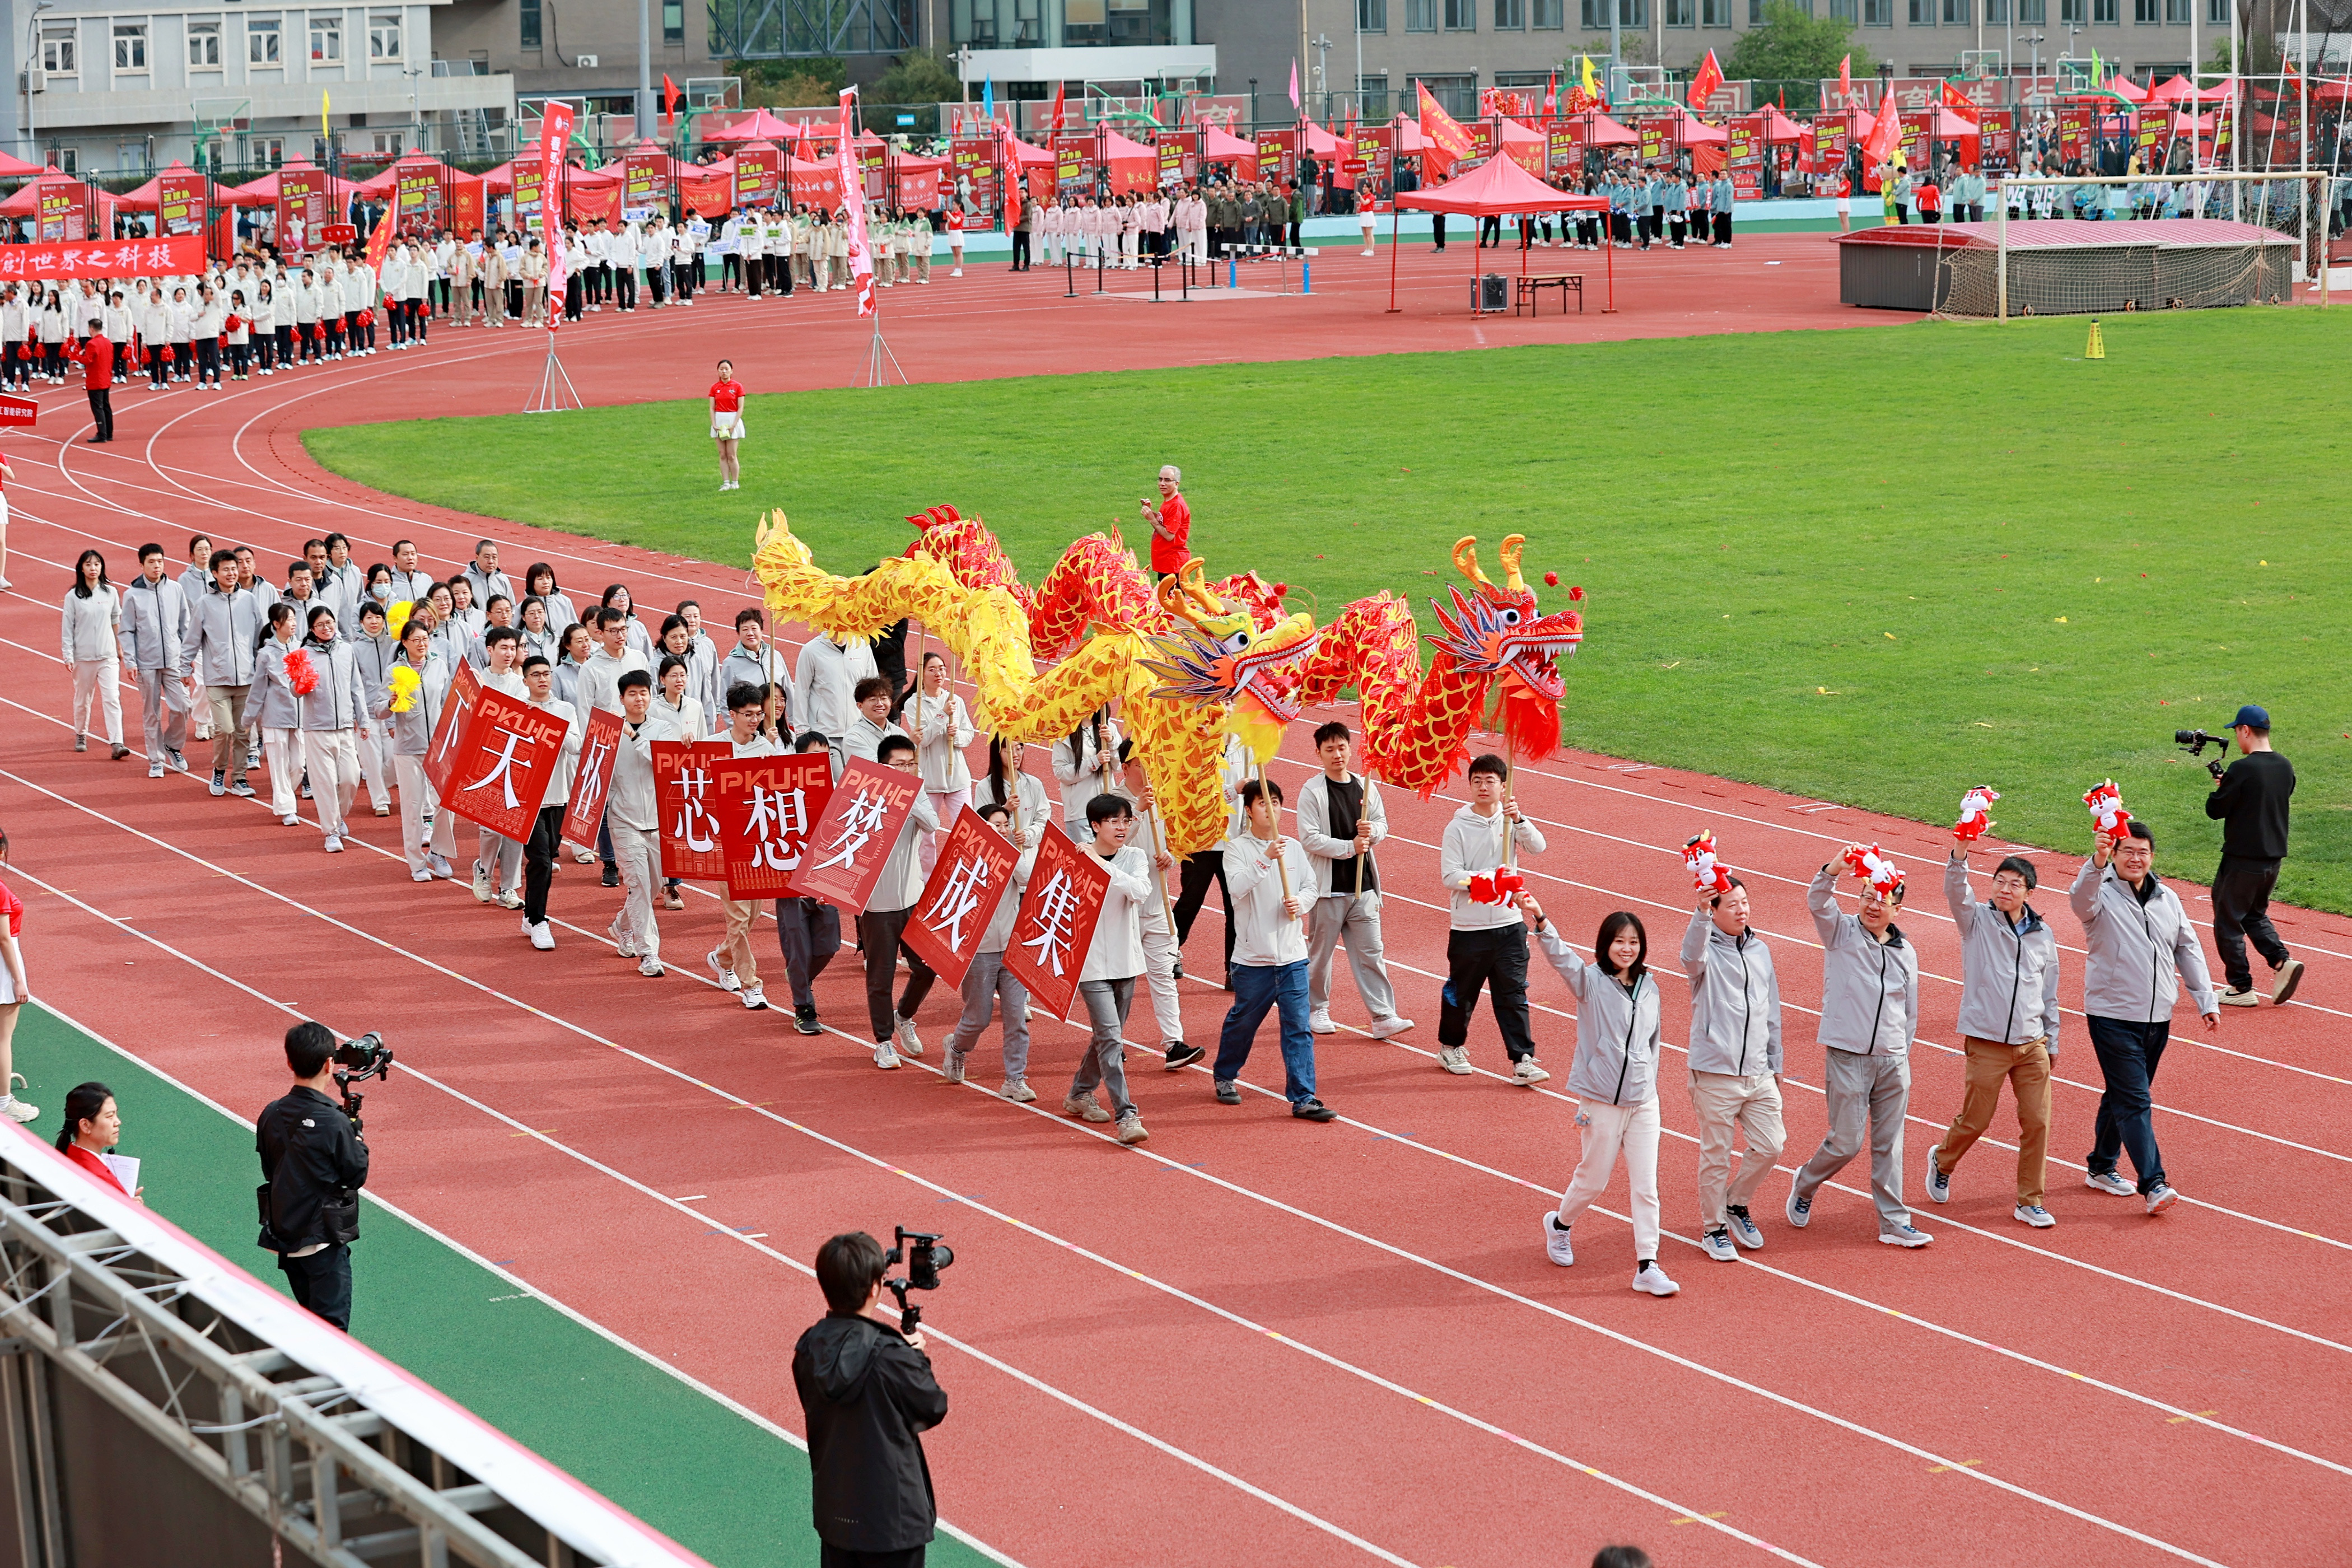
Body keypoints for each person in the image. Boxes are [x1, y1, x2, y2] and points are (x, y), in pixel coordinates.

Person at [1523, 898, 1677, 1297]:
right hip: (1601, 1099)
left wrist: (1649, 1083)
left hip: (1643, 1101)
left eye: (1634, 942)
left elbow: (1653, 1042)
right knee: (1593, 1180)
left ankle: (1647, 1265)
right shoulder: (1590, 981)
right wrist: (1541, 919)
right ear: (1605, 944)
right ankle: (1559, 1224)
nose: (1627, 948)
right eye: (1619, 941)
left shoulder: (1650, 987)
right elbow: (1561, 959)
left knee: (1646, 1185)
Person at [2070, 821, 2215, 1216]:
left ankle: (2101, 1166)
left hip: (2158, 1017)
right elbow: (2079, 900)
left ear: (2152, 857)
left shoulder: (2168, 898)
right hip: (2112, 1015)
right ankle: (2153, 1183)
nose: (2136, 859)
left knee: (2123, 1093)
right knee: (2135, 1099)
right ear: (2115, 855)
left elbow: (2187, 947)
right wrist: (2096, 860)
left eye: (2143, 852)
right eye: (2128, 851)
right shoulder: (2099, 895)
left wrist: (2206, 1000)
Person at [1786, 851, 1929, 1247]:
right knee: (1847, 1142)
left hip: (1893, 1060)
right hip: (1848, 1056)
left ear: (1897, 909)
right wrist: (1833, 869)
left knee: (1890, 1145)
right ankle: (1806, 1182)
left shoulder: (1906, 952)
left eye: (1883, 900)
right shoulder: (1841, 932)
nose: (1873, 905)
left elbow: (1910, 1010)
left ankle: (1894, 1222)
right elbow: (1818, 901)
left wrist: (1901, 1052)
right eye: (1867, 896)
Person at [792, 1231, 949, 1568]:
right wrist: (915, 1357)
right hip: (892, 1521)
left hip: (837, 1514)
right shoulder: (890, 1355)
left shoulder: (809, 1347)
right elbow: (932, 1407)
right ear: (875, 1288)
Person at [1927, 846, 2062, 1228]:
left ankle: (2029, 1201)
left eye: (2015, 884)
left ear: (2029, 892)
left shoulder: (2043, 935)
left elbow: (2049, 992)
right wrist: (1959, 852)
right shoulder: (1976, 921)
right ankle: (1943, 1160)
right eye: (1999, 881)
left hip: (2032, 1044)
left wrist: (2051, 1039)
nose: (2005, 889)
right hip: (1987, 1042)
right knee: (1976, 1121)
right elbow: (1956, 890)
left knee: (2037, 1123)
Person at [1210, 779, 1335, 1121]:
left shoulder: (1293, 847)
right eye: (1264, 803)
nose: (1272, 808)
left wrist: (1301, 903)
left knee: (1298, 1027)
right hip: (1254, 959)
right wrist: (1266, 859)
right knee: (1244, 1022)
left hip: (1292, 957)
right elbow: (1237, 888)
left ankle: (1304, 1097)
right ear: (1249, 810)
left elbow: (1311, 886)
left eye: (1276, 802)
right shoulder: (1237, 849)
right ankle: (1225, 1074)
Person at [1682, 874, 1786, 1262]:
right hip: (1715, 1074)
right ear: (1714, 911)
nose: (1742, 910)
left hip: (1758, 1073)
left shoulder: (1760, 950)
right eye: (1732, 905)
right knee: (1717, 1157)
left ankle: (1735, 1203)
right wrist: (1699, 913)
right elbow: (1690, 957)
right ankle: (1713, 1229)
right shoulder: (1705, 951)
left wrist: (1775, 1061)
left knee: (1772, 1145)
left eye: (1745, 902)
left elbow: (1771, 1009)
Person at [1296, 722, 1411, 1040]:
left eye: (1342, 747)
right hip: (1328, 889)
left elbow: (1382, 823)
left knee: (1371, 952)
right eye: (1330, 749)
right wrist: (1350, 847)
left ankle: (1383, 1016)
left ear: (1351, 749)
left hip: (1365, 888)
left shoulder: (1365, 785)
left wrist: (1372, 833)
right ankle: (1316, 1009)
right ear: (1319, 753)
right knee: (1321, 954)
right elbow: (1310, 838)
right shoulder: (1312, 791)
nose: (1337, 754)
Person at [1436, 753, 1547, 1082]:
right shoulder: (1457, 827)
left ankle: (1523, 1059)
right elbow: (1450, 876)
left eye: (1490, 781)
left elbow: (1538, 847)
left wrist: (1520, 820)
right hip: (1469, 929)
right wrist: (1489, 881)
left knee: (1513, 994)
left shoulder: (1510, 821)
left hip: (1509, 924)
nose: (1483, 787)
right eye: (1477, 781)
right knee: (1462, 993)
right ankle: (1450, 1046)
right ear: (1470, 785)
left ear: (1503, 786)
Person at [257, 1021, 369, 1332]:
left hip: (286, 1236)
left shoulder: (271, 1113)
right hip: (322, 1238)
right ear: (329, 1065)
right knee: (332, 1333)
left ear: (289, 1061)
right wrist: (357, 1139)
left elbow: (270, 1167)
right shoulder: (334, 1122)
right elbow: (356, 1174)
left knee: (310, 1325)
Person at [1064, 793, 1152, 1145]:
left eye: (1125, 821)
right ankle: (1127, 1116)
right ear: (1095, 826)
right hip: (1090, 965)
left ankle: (1079, 1093)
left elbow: (1140, 891)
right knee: (1112, 1039)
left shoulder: (1134, 857)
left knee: (1106, 1037)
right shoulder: (1076, 859)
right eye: (1113, 821)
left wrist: (1100, 864)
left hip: (1125, 961)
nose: (1121, 827)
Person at [939, 802, 1037, 1099]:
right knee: (978, 1018)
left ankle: (1015, 1079)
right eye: (996, 825)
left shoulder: (1013, 858)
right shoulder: (965, 859)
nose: (1003, 830)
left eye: (1006, 825)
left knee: (1016, 1018)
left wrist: (1011, 851)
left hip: (1012, 951)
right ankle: (957, 1047)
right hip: (979, 951)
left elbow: (1029, 879)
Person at [2204, 704, 2300, 1006]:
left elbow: (2215, 810)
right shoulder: (2284, 766)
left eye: (2237, 731)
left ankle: (2241, 987)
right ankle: (2281, 961)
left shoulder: (2243, 768)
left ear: (2245, 730)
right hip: (2273, 859)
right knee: (2254, 914)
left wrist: (2223, 789)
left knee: (2228, 921)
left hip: (2242, 858)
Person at [863, 734, 942, 1070]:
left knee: (927, 968)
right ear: (883, 766)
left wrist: (906, 795)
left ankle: (904, 1016)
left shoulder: (916, 792)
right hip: (877, 904)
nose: (907, 770)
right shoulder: (864, 795)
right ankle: (883, 1042)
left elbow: (933, 824)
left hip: (912, 899)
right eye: (900, 765)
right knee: (880, 977)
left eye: (911, 764)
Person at [709, 683, 782, 1011]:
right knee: (738, 917)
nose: (755, 720)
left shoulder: (767, 749)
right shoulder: (712, 746)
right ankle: (751, 984)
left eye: (758, 714)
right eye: (748, 714)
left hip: (757, 844)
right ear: (732, 715)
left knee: (752, 915)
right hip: (726, 843)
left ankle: (722, 957)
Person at [605, 670, 673, 977]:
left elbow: (663, 764)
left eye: (643, 693)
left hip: (658, 821)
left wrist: (634, 737)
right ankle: (649, 953)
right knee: (640, 886)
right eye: (632, 694)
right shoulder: (610, 731)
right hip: (624, 820)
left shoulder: (662, 729)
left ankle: (621, 925)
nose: (639, 699)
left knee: (655, 885)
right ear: (622, 699)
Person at [777, 731, 844, 1033]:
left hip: (825, 882)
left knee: (829, 945)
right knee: (798, 949)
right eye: (814, 756)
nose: (822, 761)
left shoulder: (838, 793)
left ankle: (801, 978)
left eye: (826, 755)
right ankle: (804, 1008)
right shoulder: (782, 793)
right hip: (790, 884)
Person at [191, 548, 262, 798]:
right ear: (215, 573)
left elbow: (259, 637)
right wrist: (184, 666)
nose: (232, 573)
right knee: (225, 729)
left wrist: (259, 666)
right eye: (226, 570)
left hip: (246, 678)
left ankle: (240, 777)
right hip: (218, 679)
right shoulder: (204, 604)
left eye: (234, 569)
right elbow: (192, 639)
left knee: (243, 731)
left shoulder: (249, 600)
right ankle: (219, 770)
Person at [296, 606, 366, 855]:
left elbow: (356, 687)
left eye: (330, 623)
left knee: (351, 778)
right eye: (321, 625)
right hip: (317, 728)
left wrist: (363, 720)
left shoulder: (346, 650)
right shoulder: (303, 655)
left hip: (345, 726)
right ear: (312, 629)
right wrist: (302, 685)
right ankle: (331, 832)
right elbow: (295, 691)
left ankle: (338, 816)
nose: (327, 628)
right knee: (324, 783)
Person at [120, 543, 192, 779]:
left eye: (160, 561)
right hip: (146, 662)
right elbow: (127, 631)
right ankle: (156, 760)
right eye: (151, 562)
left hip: (173, 659)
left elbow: (185, 625)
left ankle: (172, 745)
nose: (157, 566)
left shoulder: (175, 589)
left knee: (183, 705)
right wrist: (131, 661)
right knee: (152, 713)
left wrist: (187, 657)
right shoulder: (132, 595)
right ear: (142, 565)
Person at [906, 653, 972, 876]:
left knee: (966, 830)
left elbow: (968, 734)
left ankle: (965, 874)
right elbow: (923, 739)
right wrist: (943, 716)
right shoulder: (914, 703)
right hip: (930, 779)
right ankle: (926, 879)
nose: (939, 674)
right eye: (932, 669)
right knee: (927, 835)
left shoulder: (956, 700)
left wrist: (957, 735)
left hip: (958, 778)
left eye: (942, 669)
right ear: (922, 673)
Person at [62, 549, 127, 760]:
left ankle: (117, 742)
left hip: (108, 656)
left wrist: (120, 648)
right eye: (89, 564)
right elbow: (67, 628)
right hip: (83, 657)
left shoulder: (111, 592)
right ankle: (81, 734)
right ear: (81, 568)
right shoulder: (73, 597)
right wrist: (68, 655)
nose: (93, 568)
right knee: (83, 699)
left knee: (112, 698)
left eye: (97, 564)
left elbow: (116, 620)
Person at [55, 1082, 141, 1202]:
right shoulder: (99, 1178)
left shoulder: (66, 1156)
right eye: (110, 1116)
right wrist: (133, 1208)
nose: (118, 1122)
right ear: (86, 1125)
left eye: (116, 1114)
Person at [0, 826, 33, 1123]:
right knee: (3, 1037)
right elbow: (3, 938)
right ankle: (4, 1103)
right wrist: (18, 980)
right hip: (2, 965)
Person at [1052, 708, 1121, 842]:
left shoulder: (1108, 727)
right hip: (1080, 812)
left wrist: (1111, 742)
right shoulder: (1065, 732)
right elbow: (1062, 773)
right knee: (1087, 854)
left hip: (1108, 810)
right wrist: (1094, 762)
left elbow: (1118, 766)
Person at [1138, 465, 1192, 583]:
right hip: (1166, 563)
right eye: (1160, 479)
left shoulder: (1176, 505)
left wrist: (1151, 519)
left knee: (1173, 596)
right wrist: (1151, 512)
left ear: (1176, 484)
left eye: (1167, 480)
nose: (1162, 483)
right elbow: (1165, 522)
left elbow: (1169, 535)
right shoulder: (1169, 501)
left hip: (1173, 565)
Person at [710, 357, 747, 493]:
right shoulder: (715, 388)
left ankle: (735, 482)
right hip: (719, 421)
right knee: (722, 454)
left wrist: (734, 425)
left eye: (727, 369)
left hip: (732, 420)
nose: (724, 372)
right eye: (721, 369)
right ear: (718, 371)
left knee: (731, 454)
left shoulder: (737, 387)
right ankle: (725, 483)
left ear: (732, 371)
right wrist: (714, 424)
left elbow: (740, 407)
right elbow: (712, 408)